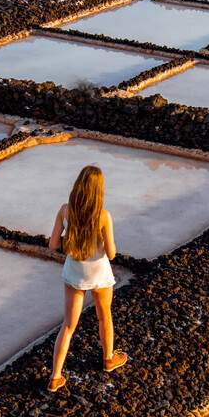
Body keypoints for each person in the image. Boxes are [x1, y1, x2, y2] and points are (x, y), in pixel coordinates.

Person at [46, 163, 128, 393]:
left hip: (74, 272)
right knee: (104, 317)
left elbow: (53, 245)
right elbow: (111, 253)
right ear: (98, 190)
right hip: (99, 273)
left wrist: (71, 242)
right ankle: (109, 359)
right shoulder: (103, 216)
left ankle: (55, 376)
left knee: (69, 325)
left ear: (78, 186)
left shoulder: (65, 210)